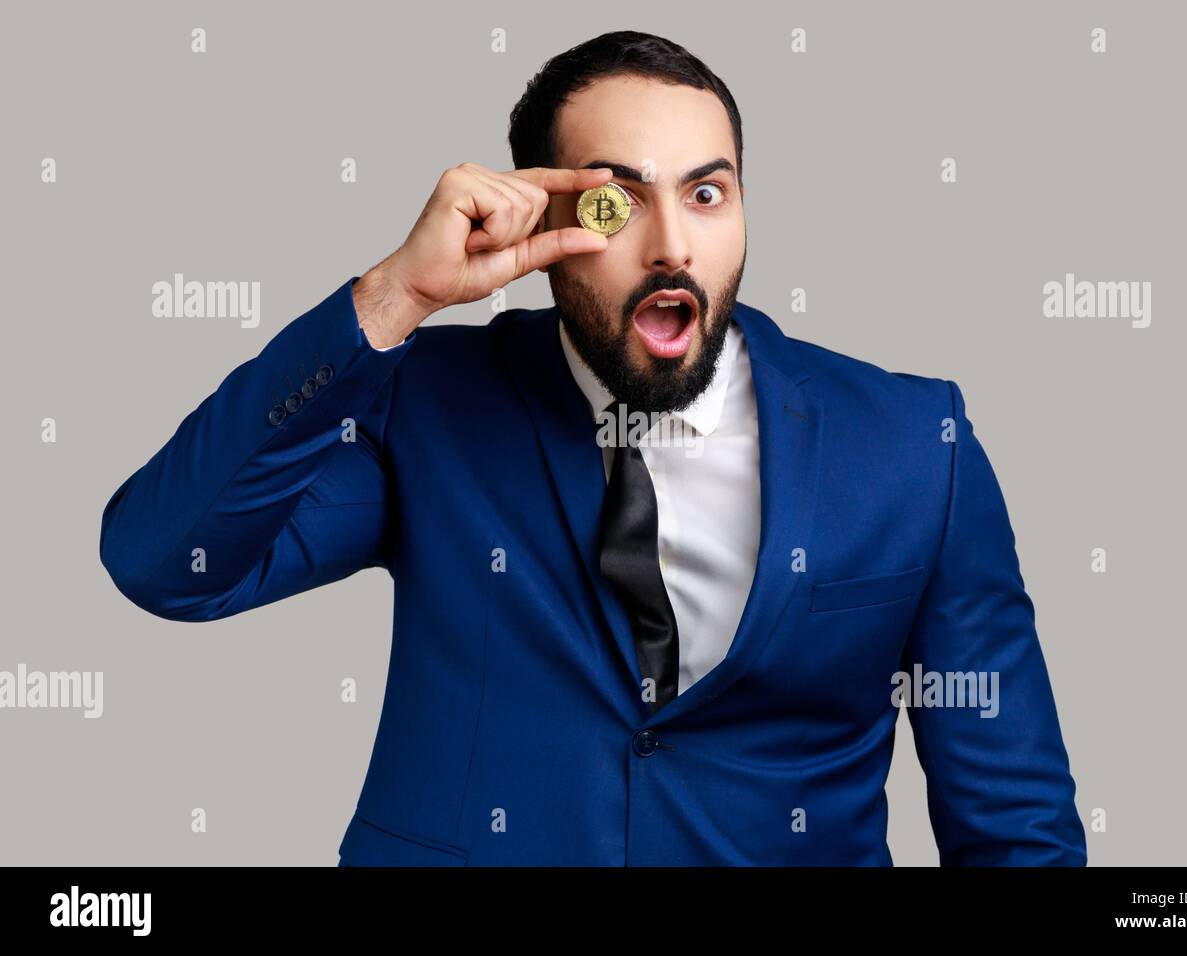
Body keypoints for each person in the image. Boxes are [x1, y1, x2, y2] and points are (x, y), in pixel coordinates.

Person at [99, 31, 1086, 866]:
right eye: (617, 202)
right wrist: (392, 296)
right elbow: (165, 562)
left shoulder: (915, 443)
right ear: (543, 218)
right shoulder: (428, 405)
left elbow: (1014, 824)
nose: (670, 246)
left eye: (707, 195)